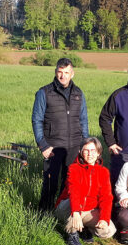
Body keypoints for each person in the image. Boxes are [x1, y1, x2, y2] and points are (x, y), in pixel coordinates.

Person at [32, 58, 89, 212]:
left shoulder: (78, 93)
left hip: (74, 147)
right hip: (52, 146)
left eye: (66, 72)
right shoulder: (44, 92)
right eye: (60, 72)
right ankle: (44, 214)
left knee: (70, 183)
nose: (63, 76)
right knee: (50, 183)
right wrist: (43, 145)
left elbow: (83, 120)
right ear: (55, 72)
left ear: (72, 74)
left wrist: (84, 145)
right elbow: (37, 120)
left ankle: (64, 214)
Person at [54, 137, 116, 245]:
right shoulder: (74, 168)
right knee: (72, 207)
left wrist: (103, 218)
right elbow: (74, 191)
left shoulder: (103, 172)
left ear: (98, 153)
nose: (89, 154)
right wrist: (76, 212)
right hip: (68, 207)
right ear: (80, 152)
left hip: (87, 210)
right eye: (86, 150)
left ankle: (83, 228)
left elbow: (106, 197)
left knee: (108, 230)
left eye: (93, 150)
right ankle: (72, 234)